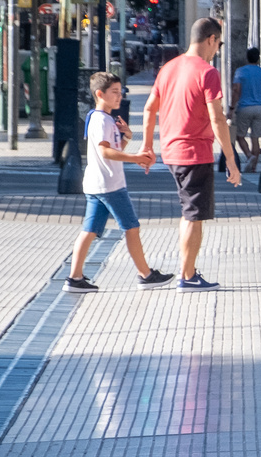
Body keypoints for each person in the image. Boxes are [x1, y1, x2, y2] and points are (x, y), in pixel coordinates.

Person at [139, 16, 242, 291]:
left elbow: (150, 109)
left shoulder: (168, 68)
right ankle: (187, 275)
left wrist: (147, 146)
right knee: (193, 216)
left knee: (189, 212)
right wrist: (230, 159)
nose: (217, 49)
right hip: (195, 152)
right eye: (218, 44)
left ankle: (189, 271)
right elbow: (217, 118)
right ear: (211, 39)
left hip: (171, 151)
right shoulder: (208, 72)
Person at [64, 71, 173, 293]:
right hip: (110, 186)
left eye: (120, 91)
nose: (119, 96)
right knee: (132, 227)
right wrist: (136, 158)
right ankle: (146, 274)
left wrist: (126, 138)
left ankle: (74, 277)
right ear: (99, 94)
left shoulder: (101, 119)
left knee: (90, 230)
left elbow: (113, 150)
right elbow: (105, 152)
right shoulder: (102, 120)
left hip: (99, 184)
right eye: (114, 92)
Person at [230, 46, 261, 173]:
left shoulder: (240, 72)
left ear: (247, 58)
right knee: (255, 138)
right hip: (259, 108)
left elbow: (236, 90)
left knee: (239, 136)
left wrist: (231, 108)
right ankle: (253, 167)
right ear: (258, 59)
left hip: (244, 107)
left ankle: (249, 156)